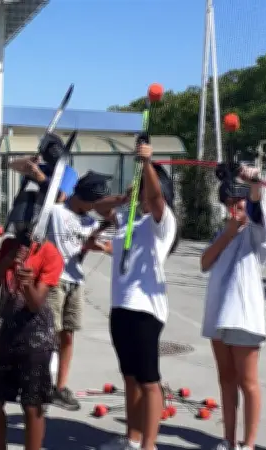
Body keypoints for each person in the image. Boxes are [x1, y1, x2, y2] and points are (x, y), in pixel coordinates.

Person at [98, 142, 178, 450]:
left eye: (143, 187)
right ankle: (131, 439)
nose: (141, 192)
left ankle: (149, 445)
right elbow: (99, 208)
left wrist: (147, 163)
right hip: (120, 307)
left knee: (148, 381)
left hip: (146, 310)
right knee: (129, 377)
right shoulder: (127, 221)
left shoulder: (162, 222)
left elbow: (156, 198)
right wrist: (122, 197)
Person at [0, 191, 64, 450]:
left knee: (32, 405)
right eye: (18, 225)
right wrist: (7, 260)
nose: (21, 231)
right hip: (6, 330)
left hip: (35, 335)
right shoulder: (8, 246)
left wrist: (28, 284)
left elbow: (36, 302)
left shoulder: (50, 254)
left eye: (26, 226)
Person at [200, 165, 266, 450]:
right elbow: (205, 263)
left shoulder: (257, 232)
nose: (235, 207)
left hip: (243, 317)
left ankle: (249, 444)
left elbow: (255, 205)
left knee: (248, 382)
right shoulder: (224, 232)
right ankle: (228, 441)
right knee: (226, 381)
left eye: (238, 202)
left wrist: (254, 182)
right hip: (218, 317)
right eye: (230, 203)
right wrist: (227, 234)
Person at [45, 171, 113, 411]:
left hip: (76, 281)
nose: (95, 208)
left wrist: (100, 243)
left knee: (68, 334)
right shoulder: (55, 212)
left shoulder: (91, 222)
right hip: (54, 280)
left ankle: (60, 387)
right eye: (93, 202)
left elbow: (102, 244)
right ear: (83, 197)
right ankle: (41, 383)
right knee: (48, 334)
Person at [8, 133, 79, 204]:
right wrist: (30, 159)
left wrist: (41, 178)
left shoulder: (69, 172)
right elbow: (12, 165)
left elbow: (60, 198)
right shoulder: (45, 169)